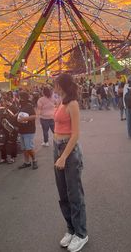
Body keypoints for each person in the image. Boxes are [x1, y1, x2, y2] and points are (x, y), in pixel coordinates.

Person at [54, 73, 88, 252]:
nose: (54, 86)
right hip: (57, 148)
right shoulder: (61, 101)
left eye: (56, 83)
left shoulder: (73, 104)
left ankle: (81, 233)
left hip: (69, 151)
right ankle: (71, 229)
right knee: (63, 194)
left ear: (62, 85)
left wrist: (63, 156)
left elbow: (75, 134)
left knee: (74, 194)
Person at [17, 92, 38, 170]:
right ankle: (27, 162)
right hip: (22, 130)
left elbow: (34, 116)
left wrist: (24, 119)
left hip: (29, 130)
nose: (19, 99)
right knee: (24, 148)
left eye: (19, 97)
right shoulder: (21, 106)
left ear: (22, 98)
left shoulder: (29, 106)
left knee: (29, 147)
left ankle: (34, 160)